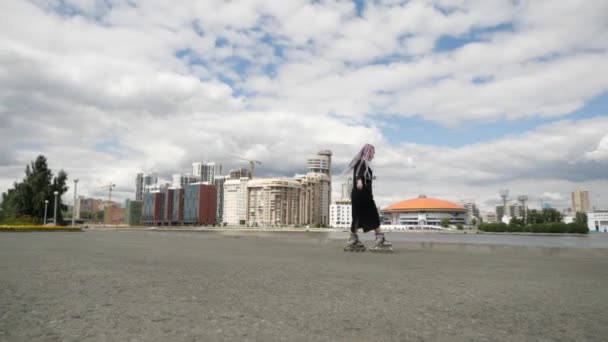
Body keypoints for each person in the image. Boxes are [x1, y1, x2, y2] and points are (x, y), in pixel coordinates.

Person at [343, 143, 392, 252]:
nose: (373, 155)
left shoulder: (360, 162)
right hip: (363, 194)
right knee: (373, 214)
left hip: (357, 194)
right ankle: (380, 239)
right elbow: (359, 174)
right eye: (373, 153)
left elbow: (359, 172)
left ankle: (353, 239)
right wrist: (360, 180)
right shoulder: (363, 162)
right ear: (369, 152)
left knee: (356, 216)